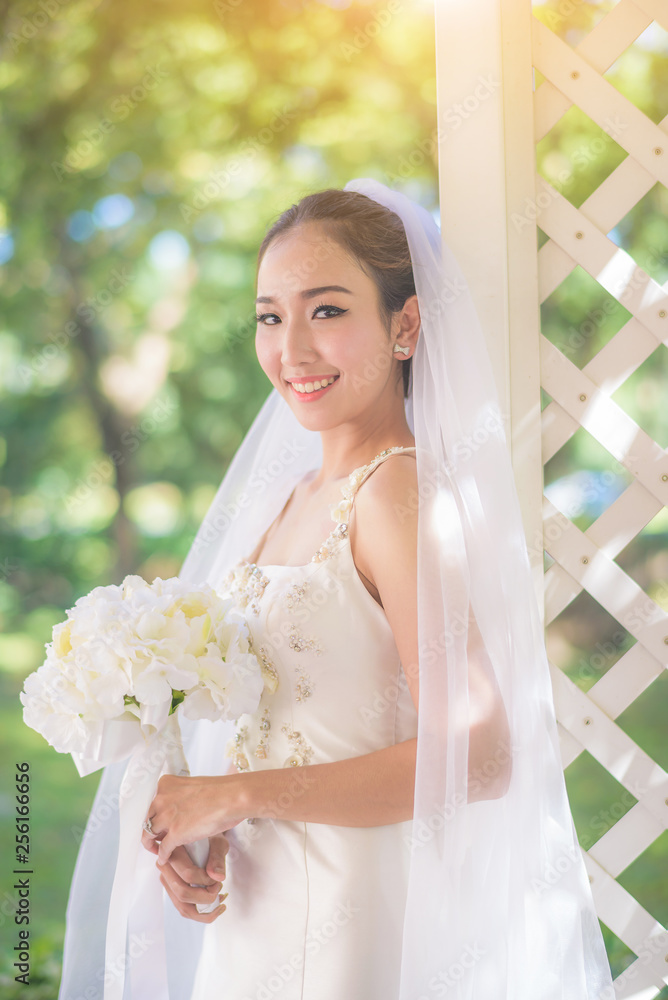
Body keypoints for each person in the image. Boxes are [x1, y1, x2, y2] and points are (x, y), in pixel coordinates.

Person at [58, 179, 614, 1000]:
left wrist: (237, 793)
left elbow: (483, 756)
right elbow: (284, 727)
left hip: (353, 926)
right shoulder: (286, 506)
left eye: (326, 311)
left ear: (405, 325)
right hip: (257, 914)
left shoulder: (398, 495)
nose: (293, 351)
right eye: (270, 316)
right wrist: (204, 828)